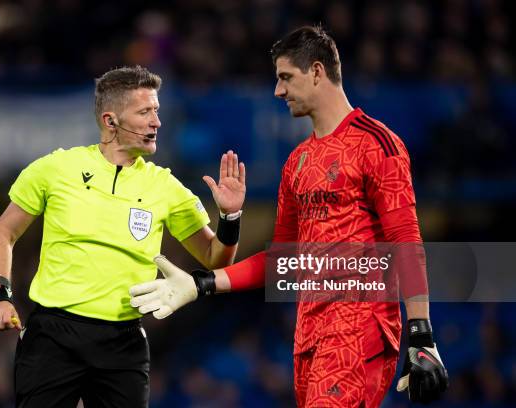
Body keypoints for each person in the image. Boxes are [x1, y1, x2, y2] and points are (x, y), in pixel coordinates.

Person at [129, 26, 448, 407]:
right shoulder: (298, 162)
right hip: (308, 335)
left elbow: (406, 240)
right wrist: (203, 284)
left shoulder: (376, 143)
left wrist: (421, 333)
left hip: (358, 329)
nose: (278, 91)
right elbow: (282, 260)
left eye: (285, 77)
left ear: (316, 71)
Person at [0, 65, 246, 407]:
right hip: (53, 335)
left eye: (157, 111)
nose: (157, 122)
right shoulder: (55, 169)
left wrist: (230, 215)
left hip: (123, 342)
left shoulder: (165, 187)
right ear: (111, 121)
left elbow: (216, 258)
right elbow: (3, 231)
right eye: (145, 112)